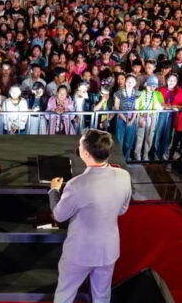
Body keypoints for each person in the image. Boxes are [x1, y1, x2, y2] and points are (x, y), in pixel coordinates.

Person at [49, 129, 131, 303]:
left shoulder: (76, 184)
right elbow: (123, 209)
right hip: (108, 250)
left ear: (85, 153)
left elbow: (59, 215)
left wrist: (54, 190)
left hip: (80, 252)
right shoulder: (124, 176)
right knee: (102, 294)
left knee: (66, 292)